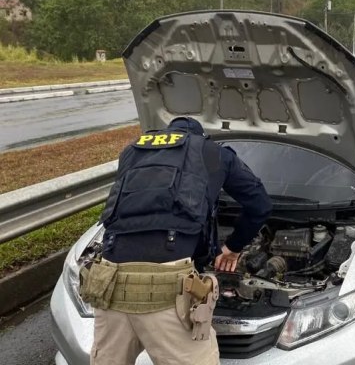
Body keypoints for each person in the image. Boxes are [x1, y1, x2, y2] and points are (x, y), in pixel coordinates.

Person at [80, 117, 272, 365]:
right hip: (165, 288)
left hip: (106, 281)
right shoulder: (213, 152)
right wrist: (232, 247)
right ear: (200, 137)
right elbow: (260, 205)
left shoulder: (132, 150)